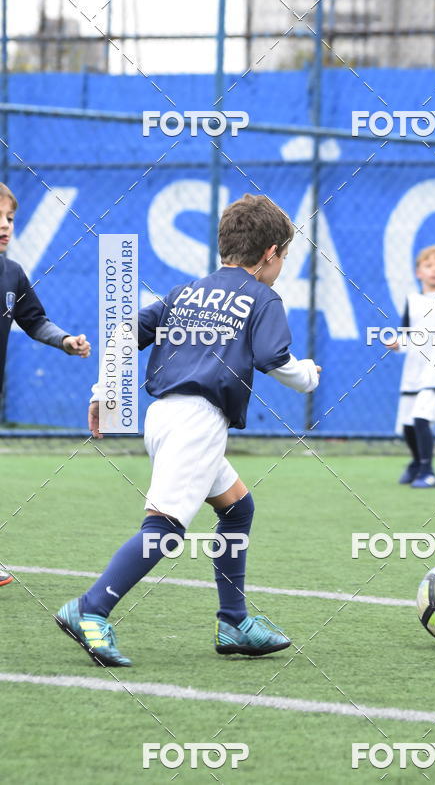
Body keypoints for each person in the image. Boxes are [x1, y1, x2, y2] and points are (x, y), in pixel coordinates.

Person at [55, 193, 320, 666]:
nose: (282, 265)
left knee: (237, 508)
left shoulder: (185, 292)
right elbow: (273, 359)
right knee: (165, 528)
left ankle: (234, 622)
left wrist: (101, 391)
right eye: (285, 256)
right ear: (270, 254)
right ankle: (91, 608)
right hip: (198, 422)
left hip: (164, 416)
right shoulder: (264, 296)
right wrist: (309, 376)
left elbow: (124, 332)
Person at [0, 182, 91, 587]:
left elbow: (34, 319)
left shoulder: (12, 273)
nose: (5, 226)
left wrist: (65, 341)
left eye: (10, 218)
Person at [390, 245, 435, 489]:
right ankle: (415, 463)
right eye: (429, 266)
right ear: (418, 272)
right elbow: (406, 335)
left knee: (422, 418)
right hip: (413, 370)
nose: (434, 271)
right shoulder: (412, 300)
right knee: (408, 424)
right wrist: (397, 343)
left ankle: (428, 472)